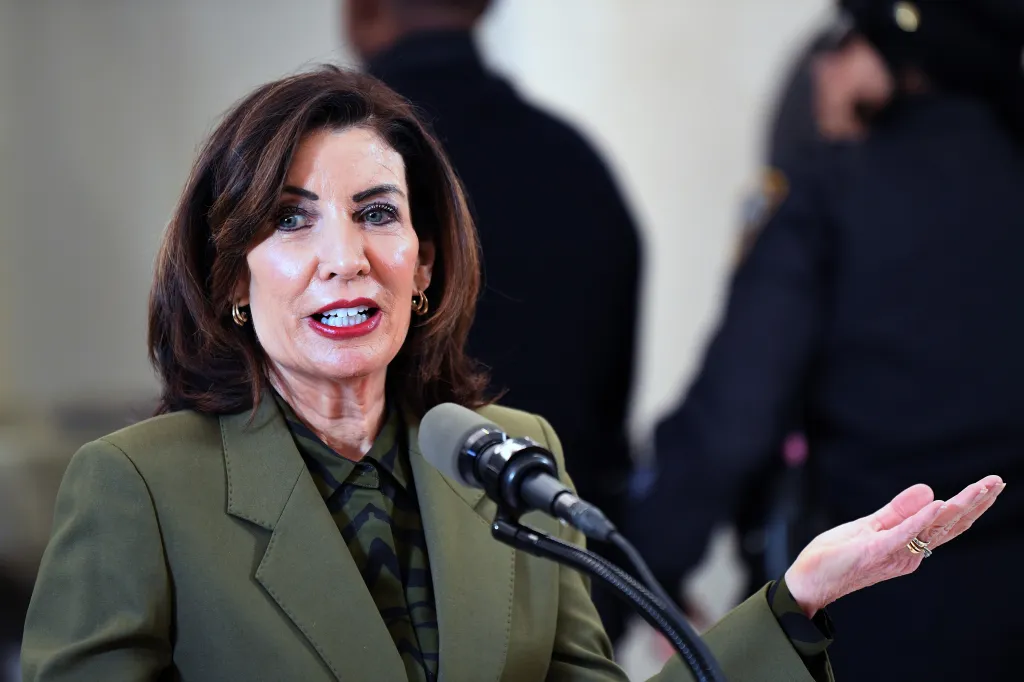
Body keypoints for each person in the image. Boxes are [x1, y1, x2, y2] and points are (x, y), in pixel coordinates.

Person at [19, 65, 1001, 682]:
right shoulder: (137, 487)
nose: (343, 255)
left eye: (376, 212)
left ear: (428, 260)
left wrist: (795, 599)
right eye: (289, 219)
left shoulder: (512, 455)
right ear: (231, 270)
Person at [632, 1, 1024, 678]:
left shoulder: (835, 191)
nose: (821, 64)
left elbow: (735, 414)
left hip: (874, 607)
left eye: (844, 40)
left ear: (898, 59)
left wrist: (650, 564)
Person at [342, 0, 643, 642]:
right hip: (561, 587)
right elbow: (607, 414)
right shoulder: (577, 170)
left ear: (362, 12)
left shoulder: (326, 185)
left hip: (378, 594)